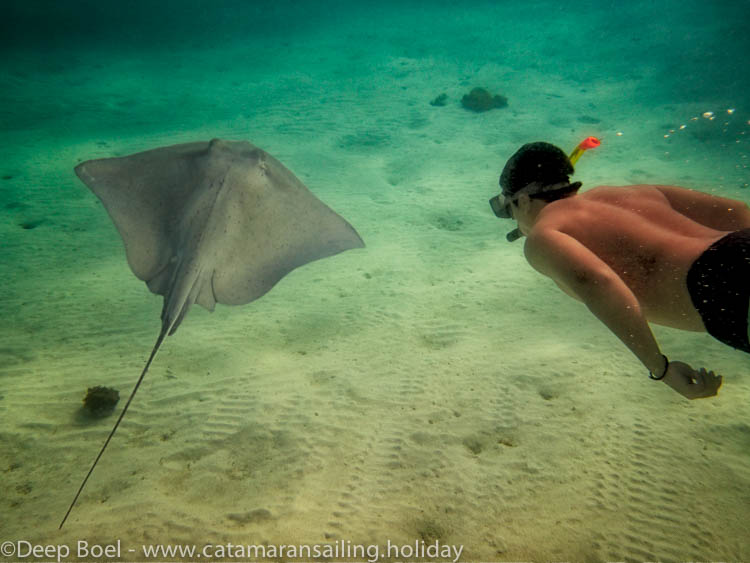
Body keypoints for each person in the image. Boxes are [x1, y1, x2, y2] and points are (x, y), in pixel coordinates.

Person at [490, 141, 750, 399]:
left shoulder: (546, 235)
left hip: (722, 287)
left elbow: (598, 284)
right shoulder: (632, 194)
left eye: (508, 209)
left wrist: (661, 368)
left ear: (522, 200)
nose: (514, 219)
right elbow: (737, 212)